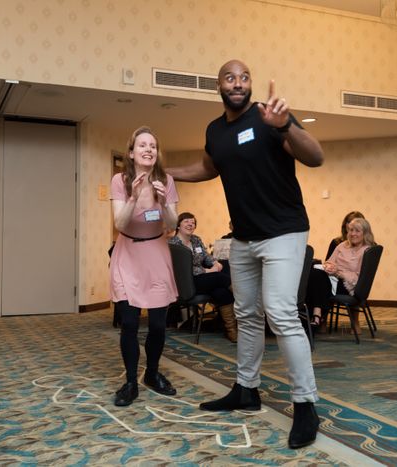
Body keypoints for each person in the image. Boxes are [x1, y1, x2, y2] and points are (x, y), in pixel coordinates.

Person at [167, 59, 324, 449]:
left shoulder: (268, 117)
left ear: (251, 84)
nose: (237, 83)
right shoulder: (215, 130)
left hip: (285, 232)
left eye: (244, 77)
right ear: (218, 86)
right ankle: (246, 389)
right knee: (246, 314)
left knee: (282, 313)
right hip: (244, 238)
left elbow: (316, 156)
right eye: (229, 77)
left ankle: (306, 404)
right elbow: (208, 166)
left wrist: (286, 125)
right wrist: (165, 174)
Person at [109, 126, 180, 407]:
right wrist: (132, 197)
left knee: (159, 325)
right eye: (142, 145)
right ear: (131, 152)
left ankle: (151, 373)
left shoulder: (167, 180)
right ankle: (129, 382)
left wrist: (163, 203)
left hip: (156, 253)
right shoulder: (121, 180)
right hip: (127, 253)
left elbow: (173, 225)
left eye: (153, 145)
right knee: (128, 322)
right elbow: (119, 223)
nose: (148, 149)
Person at [168, 212, 237, 342]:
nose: (190, 224)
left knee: (222, 292)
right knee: (220, 278)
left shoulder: (196, 239)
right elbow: (182, 269)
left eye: (193, 222)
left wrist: (215, 262)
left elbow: (205, 256)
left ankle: (232, 331)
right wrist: (207, 270)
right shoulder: (173, 244)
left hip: (202, 280)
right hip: (186, 283)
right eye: (186, 221)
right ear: (178, 225)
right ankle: (244, 299)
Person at [307, 218, 376, 335]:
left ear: (365, 233)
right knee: (314, 271)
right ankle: (317, 314)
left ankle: (316, 316)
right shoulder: (342, 245)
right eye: (351, 230)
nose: (353, 234)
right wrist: (329, 267)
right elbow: (329, 261)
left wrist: (338, 272)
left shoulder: (367, 251)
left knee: (318, 279)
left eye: (357, 231)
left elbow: (359, 277)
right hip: (332, 279)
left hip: (349, 286)